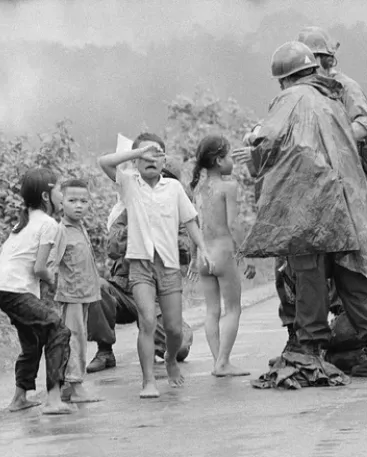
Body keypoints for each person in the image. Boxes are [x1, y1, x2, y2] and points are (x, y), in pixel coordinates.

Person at [234, 42, 367, 388]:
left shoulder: (292, 97)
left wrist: (252, 134)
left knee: (308, 271)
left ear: (284, 79)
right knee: (350, 273)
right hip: (348, 200)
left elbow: (268, 138)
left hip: (310, 202)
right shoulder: (332, 100)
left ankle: (308, 352)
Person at [97, 133, 214, 398]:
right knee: (147, 320)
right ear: (136, 161)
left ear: (164, 160)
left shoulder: (174, 189)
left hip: (169, 265)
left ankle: (170, 360)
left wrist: (202, 251)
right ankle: (148, 380)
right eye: (145, 154)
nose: (151, 158)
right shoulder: (129, 184)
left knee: (173, 330)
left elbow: (190, 222)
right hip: (140, 266)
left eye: (157, 153)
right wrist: (137, 153)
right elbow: (103, 162)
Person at [85, 164, 195, 372]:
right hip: (125, 291)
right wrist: (136, 225)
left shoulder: (176, 216)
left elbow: (185, 252)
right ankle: (104, 351)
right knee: (97, 286)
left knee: (180, 348)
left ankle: (153, 340)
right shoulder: (127, 212)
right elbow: (112, 248)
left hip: (156, 297)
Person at [0, 168, 74, 414]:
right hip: (15, 289)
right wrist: (54, 280)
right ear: (47, 196)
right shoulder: (49, 224)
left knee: (33, 341)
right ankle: (54, 399)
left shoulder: (24, 221)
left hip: (1, 287)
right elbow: (39, 269)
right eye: (59, 189)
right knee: (57, 329)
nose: (62, 195)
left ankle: (19, 398)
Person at [190, 135, 254, 377]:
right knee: (233, 309)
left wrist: (195, 254)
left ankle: (218, 360)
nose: (231, 162)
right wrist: (246, 256)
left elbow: (194, 222)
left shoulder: (197, 188)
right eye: (228, 156)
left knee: (211, 311)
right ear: (218, 160)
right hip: (224, 253)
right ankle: (224, 362)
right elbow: (233, 224)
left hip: (204, 257)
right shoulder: (229, 187)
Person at [52, 179, 103, 403]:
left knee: (79, 338)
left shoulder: (80, 228)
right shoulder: (61, 231)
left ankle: (67, 386)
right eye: (72, 201)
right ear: (61, 203)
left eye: (83, 201)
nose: (78, 205)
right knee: (74, 338)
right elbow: (52, 263)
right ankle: (75, 384)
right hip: (71, 294)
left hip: (84, 293)